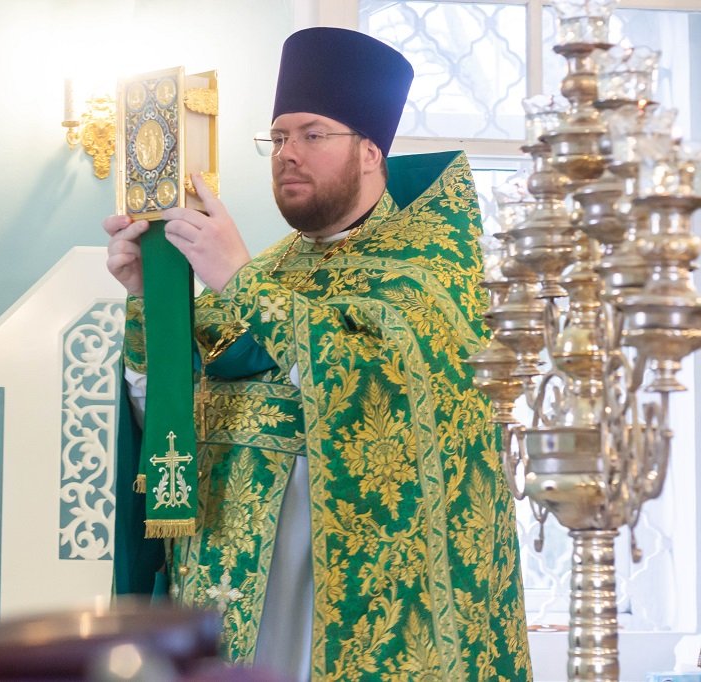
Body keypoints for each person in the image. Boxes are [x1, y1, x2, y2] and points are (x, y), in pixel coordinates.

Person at [104, 27, 531, 682]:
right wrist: (149, 302)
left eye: (311, 134)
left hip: (343, 614)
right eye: (277, 138)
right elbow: (167, 417)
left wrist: (241, 282)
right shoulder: (271, 268)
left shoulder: (430, 273)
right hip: (229, 596)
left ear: (370, 151)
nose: (288, 155)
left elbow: (383, 401)